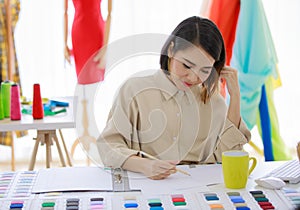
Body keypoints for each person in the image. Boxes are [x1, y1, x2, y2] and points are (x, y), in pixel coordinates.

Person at [97, 16, 251, 180]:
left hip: (199, 191)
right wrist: (144, 165)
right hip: (145, 187)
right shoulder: (134, 90)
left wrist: (235, 97)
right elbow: (108, 147)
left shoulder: (214, 102)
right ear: (171, 50)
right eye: (187, 65)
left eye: (205, 70)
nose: (193, 77)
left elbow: (229, 157)